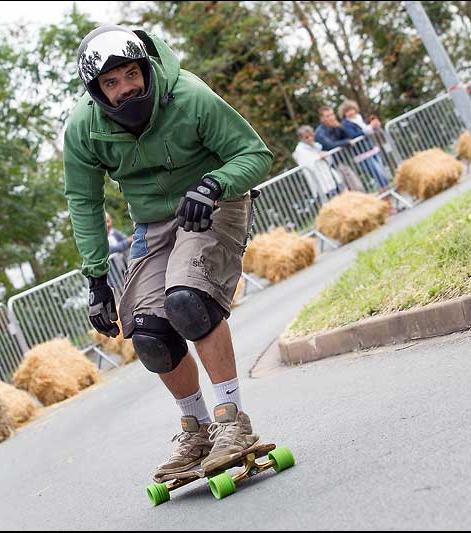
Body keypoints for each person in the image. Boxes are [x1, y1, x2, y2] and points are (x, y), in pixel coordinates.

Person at [66, 25, 274, 482]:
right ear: (96, 91)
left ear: (145, 67)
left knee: (188, 302)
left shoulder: (190, 95)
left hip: (214, 202)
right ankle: (196, 429)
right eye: (111, 83)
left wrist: (214, 183)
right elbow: (84, 201)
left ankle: (231, 420)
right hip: (153, 222)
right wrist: (96, 279)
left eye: (129, 74)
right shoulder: (84, 129)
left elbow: (255, 154)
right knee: (149, 334)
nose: (125, 89)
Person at [339, 99, 391, 191]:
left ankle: (387, 192)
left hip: (371, 148)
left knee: (382, 170)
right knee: (377, 173)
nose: (350, 113)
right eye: (347, 111)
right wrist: (369, 128)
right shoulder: (345, 124)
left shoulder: (359, 118)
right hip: (362, 153)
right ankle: (387, 192)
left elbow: (368, 131)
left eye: (351, 109)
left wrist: (374, 127)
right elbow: (354, 135)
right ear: (344, 114)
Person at [314, 106, 365, 192]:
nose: (331, 118)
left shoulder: (336, 126)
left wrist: (341, 127)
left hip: (342, 162)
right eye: (328, 116)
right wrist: (346, 142)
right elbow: (330, 145)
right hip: (331, 166)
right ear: (322, 118)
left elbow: (350, 137)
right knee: (345, 191)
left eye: (332, 115)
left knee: (357, 187)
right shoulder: (320, 132)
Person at [292, 125, 341, 201]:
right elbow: (307, 164)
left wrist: (324, 156)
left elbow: (328, 160)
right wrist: (318, 157)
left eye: (311, 135)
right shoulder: (300, 151)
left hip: (330, 177)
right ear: (301, 139)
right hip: (321, 182)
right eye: (306, 137)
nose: (310, 138)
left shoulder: (316, 145)